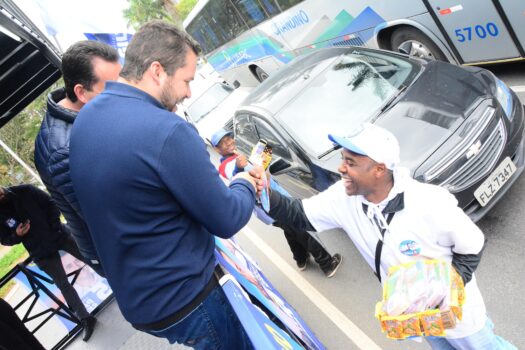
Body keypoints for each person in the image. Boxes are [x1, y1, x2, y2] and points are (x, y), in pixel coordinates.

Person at [69, 21, 262, 349]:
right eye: (186, 80)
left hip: (142, 300)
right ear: (157, 71)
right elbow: (226, 218)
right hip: (189, 300)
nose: (188, 92)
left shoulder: (86, 119)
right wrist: (245, 182)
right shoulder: (166, 130)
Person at [266, 123, 517, 349]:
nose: (341, 168)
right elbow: (299, 214)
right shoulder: (342, 198)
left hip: (460, 318)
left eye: (351, 162)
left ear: (379, 169)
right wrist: (265, 192)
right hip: (420, 319)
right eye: (342, 159)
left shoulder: (429, 201)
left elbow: (472, 244)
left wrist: (445, 293)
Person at [34, 40, 121, 277]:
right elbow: (107, 217)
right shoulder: (63, 150)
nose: (122, 96)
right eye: (111, 90)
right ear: (81, 92)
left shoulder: (88, 114)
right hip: (118, 254)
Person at [211, 128, 342, 277]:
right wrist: (237, 168)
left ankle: (301, 258)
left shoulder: (237, 155)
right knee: (300, 228)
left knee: (290, 229)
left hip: (274, 201)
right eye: (222, 143)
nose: (228, 143)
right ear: (217, 149)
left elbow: (260, 169)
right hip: (270, 204)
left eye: (228, 138)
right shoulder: (228, 165)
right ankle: (327, 264)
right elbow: (237, 179)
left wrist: (264, 155)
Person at [0, 185, 97, 341]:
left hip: (60, 235)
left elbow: (50, 203)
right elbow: (5, 239)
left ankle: (122, 284)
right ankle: (86, 318)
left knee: (91, 259)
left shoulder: (25, 190)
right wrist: (16, 235)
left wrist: (55, 227)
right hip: (40, 252)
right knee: (63, 285)